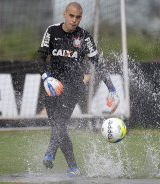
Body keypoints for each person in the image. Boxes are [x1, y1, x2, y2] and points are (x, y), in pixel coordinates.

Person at [36, 2, 119, 177]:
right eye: (71, 16)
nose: (74, 20)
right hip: (53, 85)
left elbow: (98, 64)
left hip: (74, 85)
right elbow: (41, 57)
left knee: (59, 123)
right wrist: (46, 77)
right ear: (65, 14)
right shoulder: (51, 31)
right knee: (56, 125)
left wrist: (111, 88)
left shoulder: (85, 37)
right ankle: (58, 155)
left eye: (78, 17)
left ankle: (69, 164)